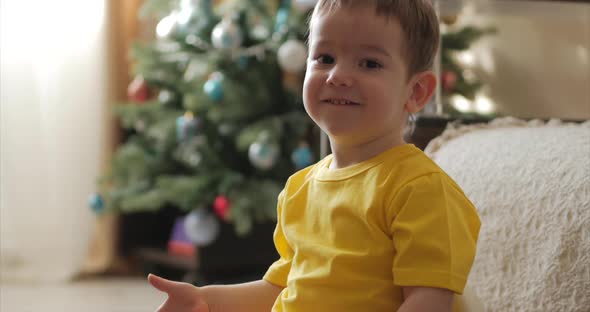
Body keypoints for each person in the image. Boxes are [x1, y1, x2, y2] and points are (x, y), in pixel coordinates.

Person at [148, 0, 481, 311]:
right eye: (325, 58)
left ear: (416, 91)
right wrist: (205, 299)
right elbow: (281, 290)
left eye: (369, 63)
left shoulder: (419, 189)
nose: (337, 76)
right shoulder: (299, 188)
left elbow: (430, 300)